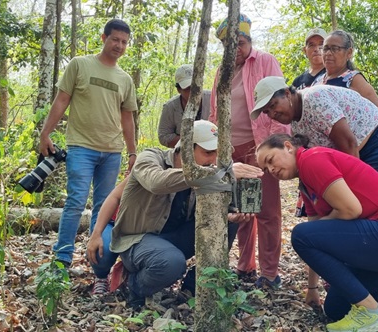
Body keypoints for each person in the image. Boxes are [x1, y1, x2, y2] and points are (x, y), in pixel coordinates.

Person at [256, 133, 378, 331]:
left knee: (300, 234)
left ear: (288, 146)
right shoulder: (306, 187)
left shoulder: (312, 159)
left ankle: (371, 314)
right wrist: (312, 288)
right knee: (337, 307)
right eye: (266, 169)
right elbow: (316, 234)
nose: (271, 170)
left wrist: (319, 231)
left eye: (270, 160)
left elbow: (350, 210)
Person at [109, 120, 264, 309]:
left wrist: (230, 216)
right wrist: (216, 173)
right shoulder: (150, 157)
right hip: (138, 240)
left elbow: (217, 208)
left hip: (174, 239)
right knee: (171, 263)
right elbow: (156, 183)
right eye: (208, 152)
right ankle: (135, 287)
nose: (214, 160)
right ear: (187, 149)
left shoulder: (211, 173)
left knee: (227, 222)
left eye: (218, 153)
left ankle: (192, 288)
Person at [38, 18, 138, 269]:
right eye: (115, 39)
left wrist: (133, 152)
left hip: (112, 151)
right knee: (76, 201)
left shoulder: (125, 79)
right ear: (104, 38)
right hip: (81, 147)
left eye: (124, 42)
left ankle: (97, 263)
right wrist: (45, 134)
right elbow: (61, 101)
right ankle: (62, 258)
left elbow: (127, 117)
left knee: (104, 206)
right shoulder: (80, 65)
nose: (119, 45)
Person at [210, 13, 290, 289]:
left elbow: (281, 105)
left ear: (249, 40)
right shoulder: (222, 71)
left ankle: (269, 273)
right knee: (240, 210)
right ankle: (245, 267)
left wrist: (279, 146)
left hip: (261, 147)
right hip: (230, 150)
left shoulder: (265, 61)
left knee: (267, 211)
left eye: (241, 43)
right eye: (230, 46)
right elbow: (214, 112)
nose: (237, 50)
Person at [250, 76, 378, 185]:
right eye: (266, 112)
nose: (272, 114)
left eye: (273, 105)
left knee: (368, 204)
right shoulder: (296, 126)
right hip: (357, 153)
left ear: (286, 94)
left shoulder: (314, 99)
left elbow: (348, 143)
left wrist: (348, 189)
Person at [313, 30, 378, 114]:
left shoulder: (353, 79)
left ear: (349, 53)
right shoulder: (317, 81)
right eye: (325, 49)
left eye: (335, 49)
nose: (328, 53)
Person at [158, 64, 213, 148]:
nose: (194, 92)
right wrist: (191, 141)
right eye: (188, 89)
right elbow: (163, 136)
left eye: (197, 86)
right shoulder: (170, 107)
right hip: (182, 151)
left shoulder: (213, 99)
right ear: (179, 89)